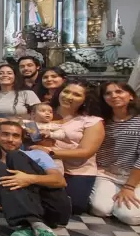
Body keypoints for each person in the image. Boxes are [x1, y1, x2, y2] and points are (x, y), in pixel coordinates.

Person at [0, 122, 74, 236]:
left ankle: (34, 225)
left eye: (15, 135)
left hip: (53, 209)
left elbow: (60, 181)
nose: (10, 139)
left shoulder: (36, 154)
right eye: (5, 134)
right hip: (22, 214)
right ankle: (39, 229)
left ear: (21, 139)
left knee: (14, 156)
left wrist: (29, 179)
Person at [29, 80, 104, 215]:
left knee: (73, 206)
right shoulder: (46, 111)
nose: (69, 97)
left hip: (78, 169)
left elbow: (86, 152)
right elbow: (27, 122)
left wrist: (51, 152)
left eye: (76, 95)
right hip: (45, 166)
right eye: (66, 92)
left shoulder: (91, 121)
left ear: (85, 100)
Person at [91, 82, 140, 225]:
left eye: (119, 92)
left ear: (130, 96)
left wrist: (129, 187)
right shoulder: (101, 121)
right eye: (108, 93)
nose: (114, 96)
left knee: (129, 217)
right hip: (107, 174)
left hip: (134, 177)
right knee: (100, 209)